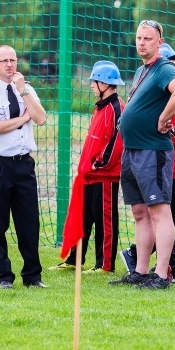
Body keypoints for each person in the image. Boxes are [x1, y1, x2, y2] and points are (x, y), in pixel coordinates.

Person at [109, 20, 175, 290]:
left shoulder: (164, 68)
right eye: (139, 38)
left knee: (159, 211)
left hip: (152, 151)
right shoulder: (143, 71)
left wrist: (164, 117)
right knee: (140, 212)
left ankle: (161, 274)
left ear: (159, 42)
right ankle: (140, 271)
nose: (141, 42)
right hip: (132, 151)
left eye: (147, 39)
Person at [0, 45, 47, 289]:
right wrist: (22, 119)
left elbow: (41, 118)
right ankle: (4, 276)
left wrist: (23, 91)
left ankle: (33, 276)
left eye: (13, 60)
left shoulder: (26, 89)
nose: (9, 65)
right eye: (4, 60)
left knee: (29, 221)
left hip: (23, 163)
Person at [51, 60, 124, 273]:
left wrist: (99, 163)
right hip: (89, 175)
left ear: (105, 83)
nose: (91, 85)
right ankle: (74, 260)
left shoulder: (116, 107)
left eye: (94, 81)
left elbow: (117, 142)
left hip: (105, 175)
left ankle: (105, 265)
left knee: (105, 221)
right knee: (81, 218)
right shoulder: (100, 107)